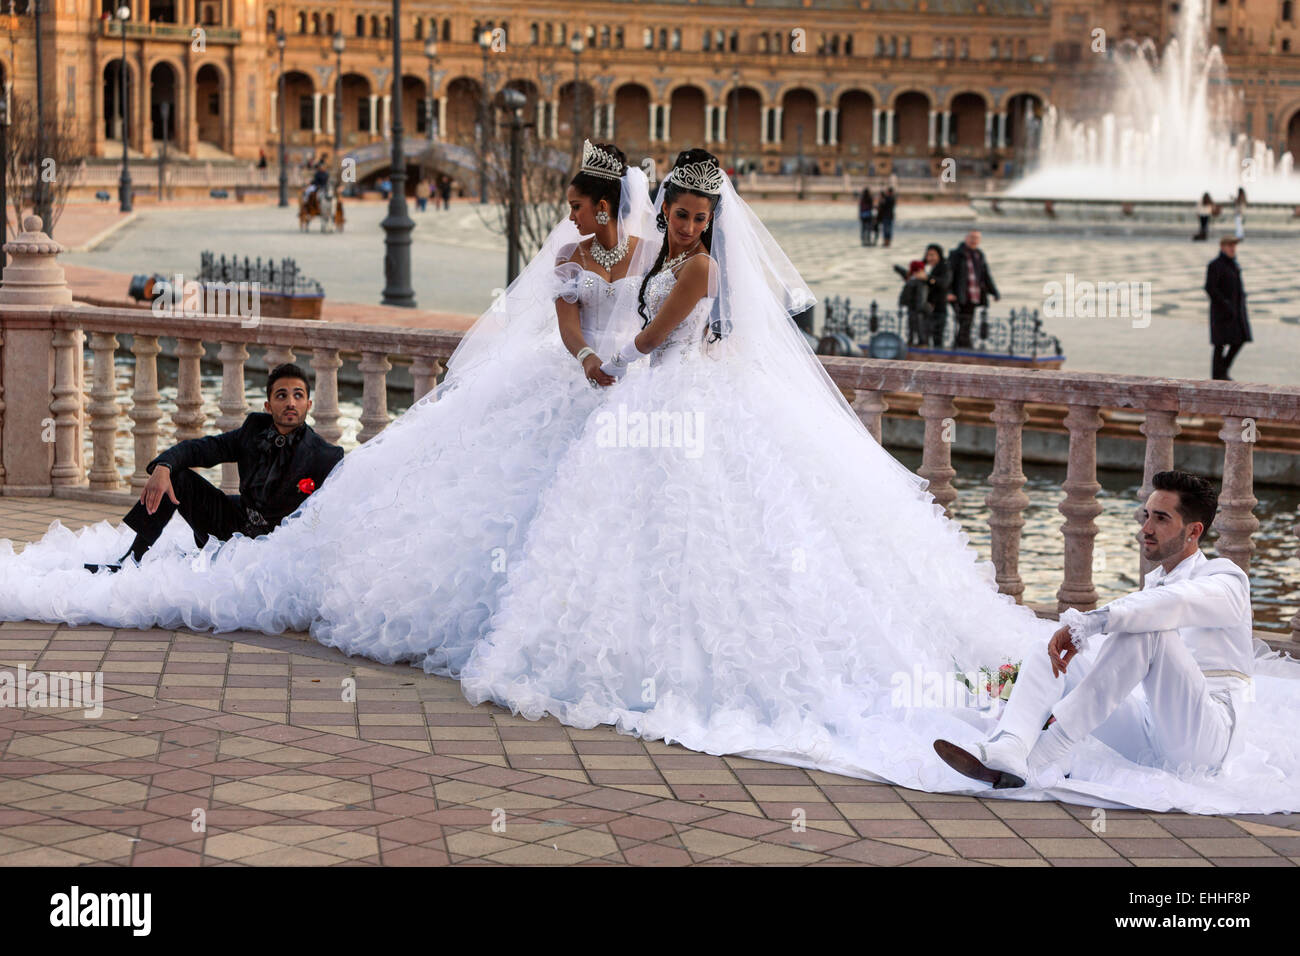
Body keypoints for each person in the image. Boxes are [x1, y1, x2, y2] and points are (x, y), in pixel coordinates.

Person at [457, 150, 1300, 814]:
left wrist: (615, 356)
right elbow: (631, 294)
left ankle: (1032, 751)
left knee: (1126, 629)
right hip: (666, 400)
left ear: (1196, 530)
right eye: (677, 213)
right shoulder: (663, 256)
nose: (683, 226)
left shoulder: (1222, 581)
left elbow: (649, 339)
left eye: (696, 217)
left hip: (1199, 732)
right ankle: (1020, 749)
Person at [0, 141, 656, 678]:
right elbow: (570, 326)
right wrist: (588, 360)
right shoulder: (572, 257)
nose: (566, 217)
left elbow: (664, 305)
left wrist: (632, 355)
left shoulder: (649, 255)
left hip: (621, 387)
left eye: (575, 206)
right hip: (574, 376)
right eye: (281, 396)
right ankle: (129, 563)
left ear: (604, 206)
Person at [934, 471, 1252, 792]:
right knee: (1048, 653)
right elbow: (1119, 664)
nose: (1146, 529)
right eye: (1146, 516)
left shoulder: (1226, 579)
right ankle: (1011, 747)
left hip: (1206, 741)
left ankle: (1045, 753)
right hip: (1151, 728)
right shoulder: (1155, 581)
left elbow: (1177, 602)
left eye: (1161, 519)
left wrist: (1093, 621)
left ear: (1193, 531)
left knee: (1147, 630)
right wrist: (1080, 642)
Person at [86, 364, 344, 571]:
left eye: (298, 395)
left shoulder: (325, 455)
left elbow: (335, 512)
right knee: (176, 477)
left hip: (276, 548)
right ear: (268, 406)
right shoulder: (253, 430)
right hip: (233, 526)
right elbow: (201, 448)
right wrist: (163, 467)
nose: (290, 402)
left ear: (308, 405)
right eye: (282, 395)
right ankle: (132, 560)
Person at [1205, 235, 1251, 381]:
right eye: (1230, 245)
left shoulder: (1233, 264)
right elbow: (1210, 287)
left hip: (1235, 312)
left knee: (1239, 340)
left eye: (1234, 245)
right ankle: (1218, 375)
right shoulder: (1215, 265)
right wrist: (1224, 303)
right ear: (1222, 247)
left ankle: (1221, 371)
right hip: (1222, 313)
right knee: (1220, 344)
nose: (1233, 248)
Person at [947, 230, 998, 349]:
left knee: (968, 320)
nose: (974, 240)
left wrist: (994, 292)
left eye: (976, 238)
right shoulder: (956, 254)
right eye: (972, 237)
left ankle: (962, 343)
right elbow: (949, 274)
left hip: (974, 294)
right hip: (959, 294)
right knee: (962, 319)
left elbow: (985, 275)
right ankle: (963, 343)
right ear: (966, 238)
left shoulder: (979, 255)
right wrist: (949, 292)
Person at [921, 243, 951, 346]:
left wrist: (928, 279)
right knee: (923, 335)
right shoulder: (923, 267)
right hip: (924, 307)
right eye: (928, 255)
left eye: (933, 255)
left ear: (939, 255)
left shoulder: (945, 267)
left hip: (938, 306)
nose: (930, 258)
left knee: (937, 336)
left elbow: (944, 283)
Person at [895, 259, 929, 347]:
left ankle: (920, 341)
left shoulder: (916, 282)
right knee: (913, 325)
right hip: (914, 307)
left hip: (916, 308)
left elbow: (920, 296)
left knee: (917, 325)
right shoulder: (914, 281)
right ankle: (914, 340)